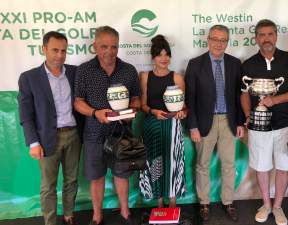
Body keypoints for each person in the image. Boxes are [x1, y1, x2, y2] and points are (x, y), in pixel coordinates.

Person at [240, 19, 288, 225]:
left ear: (276, 36)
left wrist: (275, 99)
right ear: (256, 38)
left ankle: (278, 207)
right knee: (261, 167)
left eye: (270, 34)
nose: (266, 38)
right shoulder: (248, 64)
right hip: (259, 126)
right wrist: (249, 114)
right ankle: (266, 204)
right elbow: (243, 94)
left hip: (286, 123)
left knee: (283, 167)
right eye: (261, 35)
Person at [74, 26, 141, 225]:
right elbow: (78, 102)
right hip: (94, 133)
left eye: (114, 47)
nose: (109, 51)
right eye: (104, 46)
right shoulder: (84, 70)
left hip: (122, 133)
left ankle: (125, 213)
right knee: (97, 177)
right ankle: (97, 216)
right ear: (94, 46)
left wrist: (131, 112)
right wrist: (95, 113)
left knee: (122, 175)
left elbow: (136, 98)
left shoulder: (129, 70)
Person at [18, 31, 83, 225]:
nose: (60, 55)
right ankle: (50, 221)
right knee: (48, 186)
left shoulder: (74, 72)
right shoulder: (29, 78)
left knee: (72, 180)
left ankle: (69, 214)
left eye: (63, 51)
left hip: (73, 135)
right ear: (44, 49)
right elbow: (25, 114)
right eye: (55, 50)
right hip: (46, 139)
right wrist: (33, 143)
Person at [185, 24, 244, 222]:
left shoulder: (236, 63)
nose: (219, 43)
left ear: (227, 42)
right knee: (202, 164)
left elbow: (238, 96)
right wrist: (192, 126)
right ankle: (204, 203)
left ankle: (228, 201)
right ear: (208, 40)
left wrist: (240, 122)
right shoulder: (195, 64)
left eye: (223, 40)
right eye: (215, 39)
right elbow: (190, 98)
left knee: (229, 164)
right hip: (203, 123)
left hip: (229, 120)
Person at [138, 35, 186, 208]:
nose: (164, 59)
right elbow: (142, 105)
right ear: (153, 58)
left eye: (167, 55)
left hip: (172, 126)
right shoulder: (144, 77)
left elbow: (185, 107)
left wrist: (182, 113)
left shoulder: (177, 78)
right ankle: (158, 203)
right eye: (160, 55)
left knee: (172, 163)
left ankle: (172, 203)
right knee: (156, 162)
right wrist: (153, 111)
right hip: (152, 125)